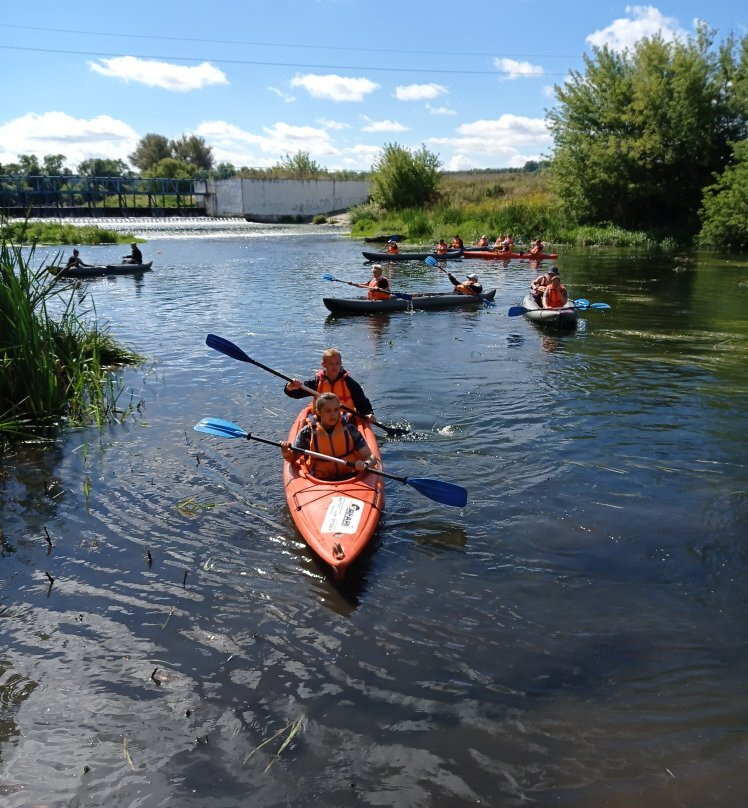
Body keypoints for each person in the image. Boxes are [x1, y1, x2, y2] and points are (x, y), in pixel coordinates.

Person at [280, 393, 377, 481]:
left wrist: (366, 464)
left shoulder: (350, 429)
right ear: (318, 412)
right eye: (328, 411)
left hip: (350, 475)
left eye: (336, 410)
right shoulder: (308, 432)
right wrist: (286, 453)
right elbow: (293, 458)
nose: (333, 415)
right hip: (319, 479)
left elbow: (371, 457)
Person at [284, 347, 376, 422]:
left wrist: (369, 413)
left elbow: (362, 402)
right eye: (331, 364)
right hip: (321, 420)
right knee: (308, 422)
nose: (335, 367)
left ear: (341, 364)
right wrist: (290, 387)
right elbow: (296, 394)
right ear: (324, 364)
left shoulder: (349, 383)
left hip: (345, 420)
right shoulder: (316, 382)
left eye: (337, 363)